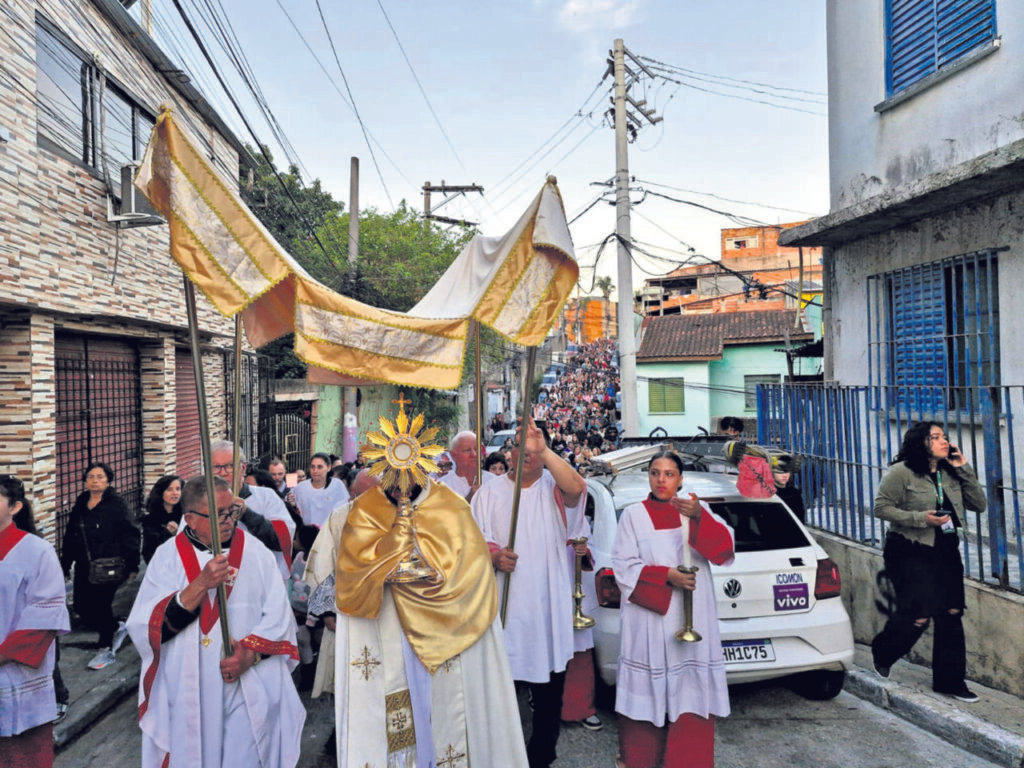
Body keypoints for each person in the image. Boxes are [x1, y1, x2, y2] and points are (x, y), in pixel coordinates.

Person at [332, 417, 528, 767]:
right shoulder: (364, 511)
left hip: (447, 635)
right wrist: (388, 557)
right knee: (397, 719)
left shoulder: (452, 507)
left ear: (425, 467)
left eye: (411, 470)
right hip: (387, 630)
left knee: (445, 717)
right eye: (394, 472)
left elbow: (472, 570)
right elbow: (351, 576)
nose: (403, 480)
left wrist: (434, 572)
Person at [127, 475, 304, 767]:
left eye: (231, 511)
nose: (228, 520)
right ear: (190, 519)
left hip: (244, 683)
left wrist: (250, 654)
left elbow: (279, 617)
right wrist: (200, 585)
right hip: (184, 687)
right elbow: (144, 627)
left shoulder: (256, 553)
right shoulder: (166, 558)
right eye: (218, 514)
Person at [473, 419, 588, 768]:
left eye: (533, 447)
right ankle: (498, 753)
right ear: (509, 451)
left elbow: (578, 487)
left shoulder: (554, 486)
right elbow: (471, 542)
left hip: (545, 606)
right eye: (519, 445)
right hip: (502, 603)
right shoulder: (489, 491)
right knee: (499, 686)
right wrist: (493, 555)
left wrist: (544, 447)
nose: (526, 453)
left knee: (548, 689)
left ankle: (541, 755)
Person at [611, 451, 735, 768]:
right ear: (648, 477)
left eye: (669, 474)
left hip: (691, 620)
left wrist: (698, 518)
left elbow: (724, 550)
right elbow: (623, 567)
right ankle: (638, 759)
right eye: (655, 473)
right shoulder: (633, 516)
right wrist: (667, 575)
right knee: (643, 699)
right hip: (650, 622)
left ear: (680, 479)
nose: (662, 480)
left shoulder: (697, 509)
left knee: (691, 696)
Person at [870, 422, 986, 703]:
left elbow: (979, 504)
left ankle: (950, 682)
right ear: (920, 443)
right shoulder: (901, 473)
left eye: (944, 437)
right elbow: (881, 508)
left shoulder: (951, 471)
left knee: (952, 611)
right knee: (919, 614)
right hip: (908, 549)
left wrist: (963, 467)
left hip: (945, 549)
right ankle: (884, 651)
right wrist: (921, 518)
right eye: (936, 437)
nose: (943, 441)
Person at [0, 475, 71, 768]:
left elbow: (43, 619)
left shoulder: (37, 551)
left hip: (15, 673)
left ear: (15, 506)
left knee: (20, 756)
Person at [59, 462, 140, 670]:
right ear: (85, 481)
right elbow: (70, 535)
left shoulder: (116, 504)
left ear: (108, 480)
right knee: (81, 606)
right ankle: (115, 627)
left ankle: (106, 648)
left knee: (102, 605)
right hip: (86, 565)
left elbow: (130, 533)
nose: (95, 481)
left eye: (100, 477)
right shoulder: (81, 502)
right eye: (91, 477)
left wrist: (132, 564)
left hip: (111, 564)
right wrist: (65, 564)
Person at [210, 440, 295, 580]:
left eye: (229, 466)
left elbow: (283, 540)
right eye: (216, 467)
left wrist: (246, 514)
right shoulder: (200, 502)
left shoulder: (266, 497)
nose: (222, 473)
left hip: (260, 583)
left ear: (243, 468)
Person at [292, 452, 350, 528]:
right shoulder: (300, 487)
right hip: (307, 535)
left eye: (320, 467)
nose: (315, 471)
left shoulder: (337, 485)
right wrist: (292, 503)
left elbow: (343, 512)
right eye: (312, 467)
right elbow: (294, 507)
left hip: (330, 534)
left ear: (328, 468)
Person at [141, 475, 183, 564]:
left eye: (178, 489)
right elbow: (149, 552)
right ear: (161, 492)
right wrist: (167, 534)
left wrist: (178, 534)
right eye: (169, 490)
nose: (175, 493)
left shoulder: (186, 516)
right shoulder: (151, 520)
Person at [440, 431, 491, 500]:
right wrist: (469, 498)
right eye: (467, 450)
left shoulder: (494, 482)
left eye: (476, 449)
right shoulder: (441, 487)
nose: (474, 454)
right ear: (453, 455)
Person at [771, 457, 806, 523]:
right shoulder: (767, 493)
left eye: (787, 472)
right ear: (772, 473)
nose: (784, 476)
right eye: (780, 472)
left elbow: (800, 519)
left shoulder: (794, 493)